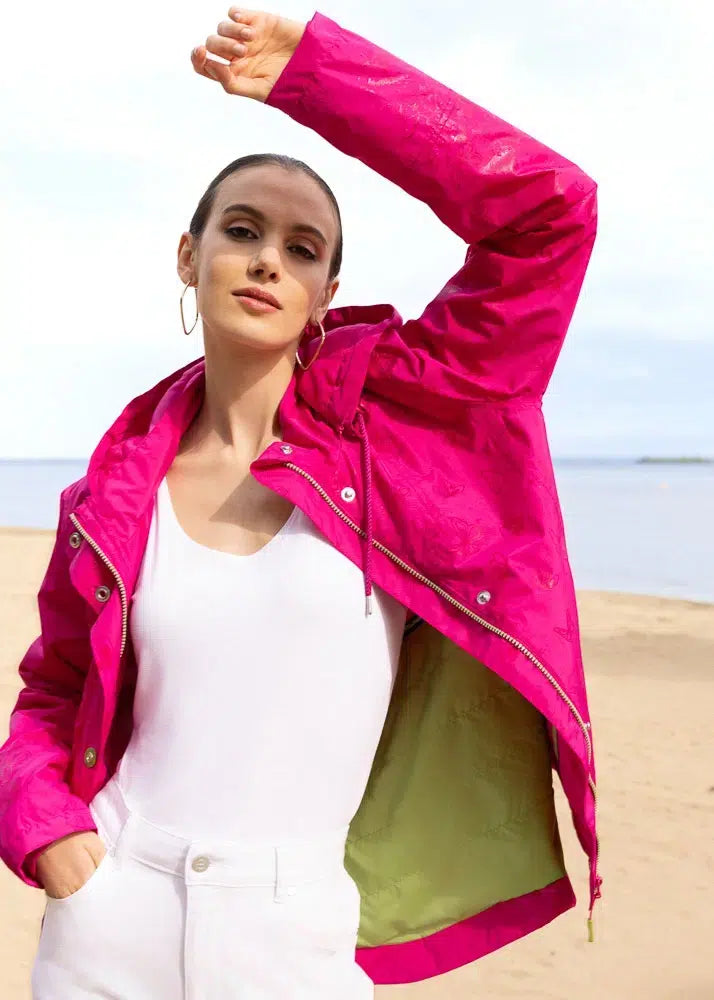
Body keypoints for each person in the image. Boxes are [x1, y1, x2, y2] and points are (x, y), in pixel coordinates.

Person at [0, 7, 601, 999]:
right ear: (189, 259)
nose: (270, 257)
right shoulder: (108, 494)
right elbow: (55, 694)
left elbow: (551, 214)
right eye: (242, 230)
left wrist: (322, 80)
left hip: (299, 940)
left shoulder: (395, 436)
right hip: (108, 925)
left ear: (327, 290)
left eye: (303, 245)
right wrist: (48, 835)